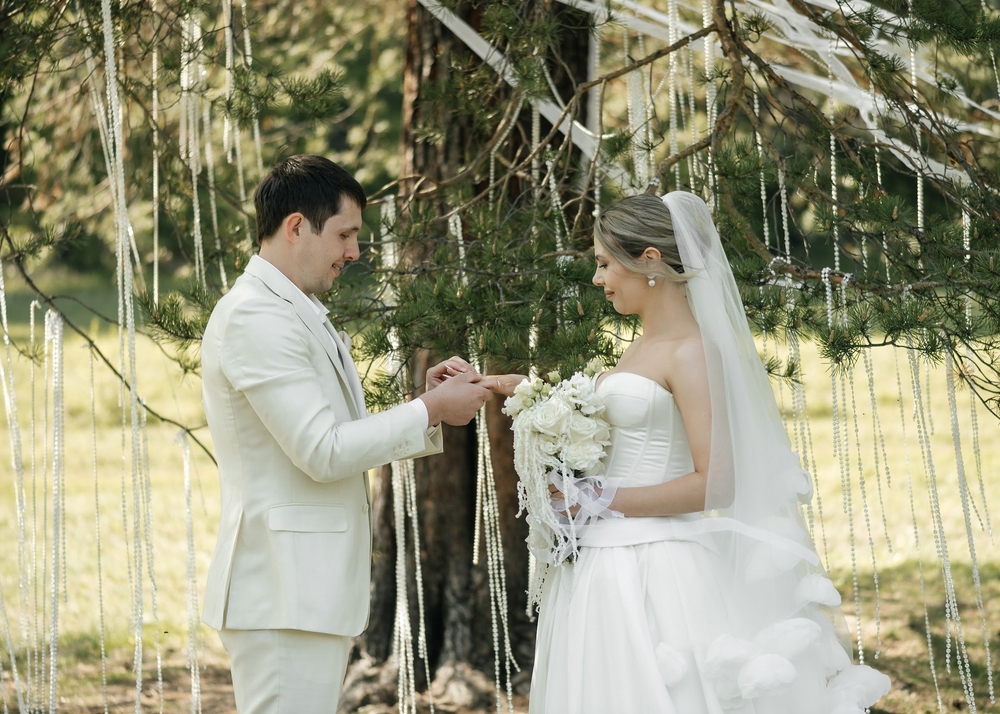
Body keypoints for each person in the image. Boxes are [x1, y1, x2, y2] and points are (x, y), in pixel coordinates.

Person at [488, 192, 890, 713]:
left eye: (605, 263)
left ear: (650, 261)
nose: (597, 277)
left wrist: (599, 498)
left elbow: (714, 483)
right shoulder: (638, 347)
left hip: (657, 563)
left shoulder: (693, 352)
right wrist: (531, 396)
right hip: (602, 560)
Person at [200, 154, 492, 713]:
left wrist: (425, 404)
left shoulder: (293, 308)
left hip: (304, 593)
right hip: (281, 592)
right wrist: (428, 409)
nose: (354, 252)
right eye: (344, 234)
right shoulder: (257, 316)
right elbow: (323, 451)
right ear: (296, 227)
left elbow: (332, 434)